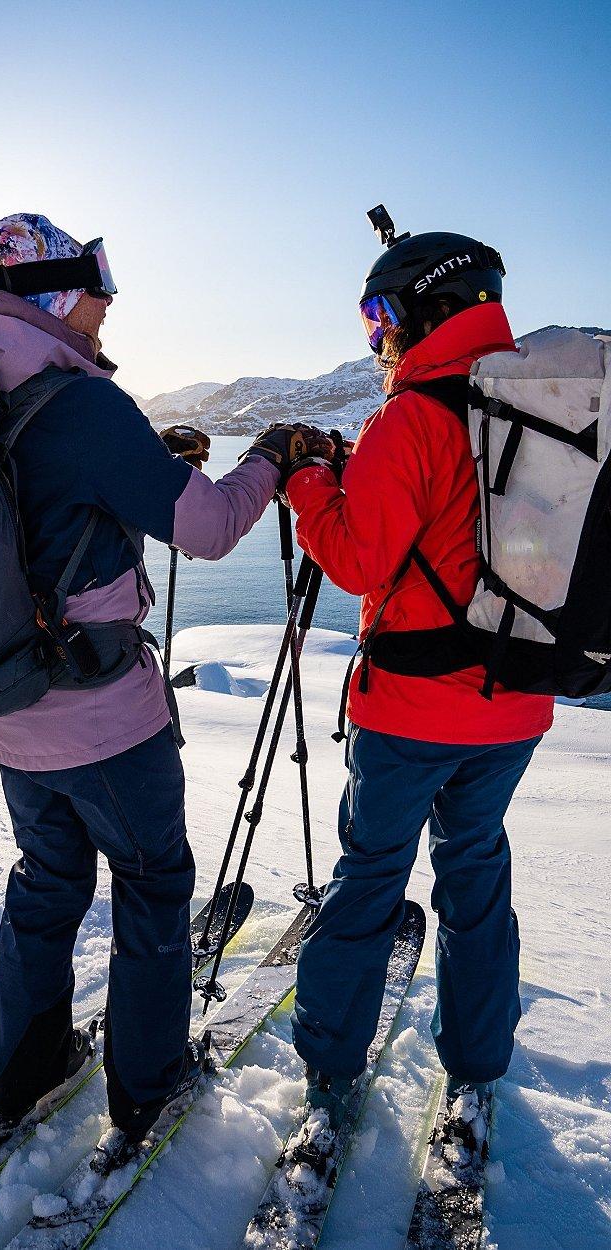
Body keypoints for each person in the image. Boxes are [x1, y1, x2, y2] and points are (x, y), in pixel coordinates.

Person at [0, 213, 317, 1141]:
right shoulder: (81, 402)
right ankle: (146, 1087)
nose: (109, 303)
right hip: (102, 717)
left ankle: (20, 1077)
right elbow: (209, 528)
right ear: (53, 294)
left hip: (3, 708)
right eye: (98, 283)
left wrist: (143, 467)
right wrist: (269, 461)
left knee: (48, 881)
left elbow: (22, 501)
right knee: (150, 881)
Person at [284, 226, 551, 1121]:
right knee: (476, 873)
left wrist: (311, 485)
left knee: (370, 879)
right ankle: (477, 1068)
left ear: (428, 305)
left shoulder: (410, 414)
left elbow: (361, 560)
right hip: (514, 704)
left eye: (381, 314)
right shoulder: (541, 409)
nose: (376, 337)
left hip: (409, 714)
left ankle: (329, 1069)